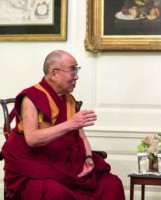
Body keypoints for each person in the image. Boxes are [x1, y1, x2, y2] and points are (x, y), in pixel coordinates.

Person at [2, 50, 125, 200]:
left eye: (77, 70)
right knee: (57, 193)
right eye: (73, 70)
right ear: (54, 74)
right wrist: (70, 124)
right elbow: (32, 139)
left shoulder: (69, 100)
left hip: (64, 164)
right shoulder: (31, 98)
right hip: (35, 167)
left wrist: (88, 157)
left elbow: (81, 137)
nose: (77, 76)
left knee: (112, 184)